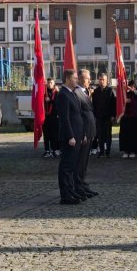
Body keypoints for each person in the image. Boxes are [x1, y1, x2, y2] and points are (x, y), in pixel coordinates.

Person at [55, 70, 84, 204]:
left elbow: (77, 115)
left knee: (72, 166)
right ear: (67, 78)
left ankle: (71, 191)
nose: (76, 80)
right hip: (69, 137)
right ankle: (65, 196)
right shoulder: (63, 95)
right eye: (74, 78)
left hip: (77, 135)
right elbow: (65, 119)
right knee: (66, 167)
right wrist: (71, 136)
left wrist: (81, 134)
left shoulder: (71, 93)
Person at [74, 70, 98, 198]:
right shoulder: (77, 93)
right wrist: (82, 133)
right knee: (80, 160)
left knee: (85, 161)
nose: (90, 80)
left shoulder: (86, 92)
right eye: (87, 78)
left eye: (89, 78)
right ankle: (77, 185)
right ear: (80, 79)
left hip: (89, 131)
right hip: (83, 132)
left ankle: (82, 183)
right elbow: (78, 115)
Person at [91, 73, 116, 157]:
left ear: (106, 80)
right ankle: (101, 151)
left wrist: (113, 115)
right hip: (98, 117)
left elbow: (114, 104)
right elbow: (93, 104)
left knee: (108, 135)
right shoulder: (96, 91)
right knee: (100, 135)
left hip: (108, 117)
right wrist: (94, 115)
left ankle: (108, 151)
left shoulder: (110, 91)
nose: (101, 81)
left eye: (103, 80)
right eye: (100, 80)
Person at [119, 80, 137, 158]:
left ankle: (133, 151)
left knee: (133, 135)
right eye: (130, 86)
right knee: (125, 134)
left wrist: (130, 101)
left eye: (133, 86)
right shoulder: (125, 94)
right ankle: (126, 150)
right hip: (125, 117)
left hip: (134, 118)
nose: (131, 88)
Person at [42, 78, 59, 157]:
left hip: (54, 117)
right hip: (45, 117)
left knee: (54, 134)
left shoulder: (57, 93)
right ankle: (47, 150)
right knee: (46, 134)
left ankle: (54, 150)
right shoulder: (43, 92)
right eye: (48, 83)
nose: (49, 84)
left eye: (51, 83)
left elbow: (59, 103)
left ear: (54, 83)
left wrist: (50, 101)